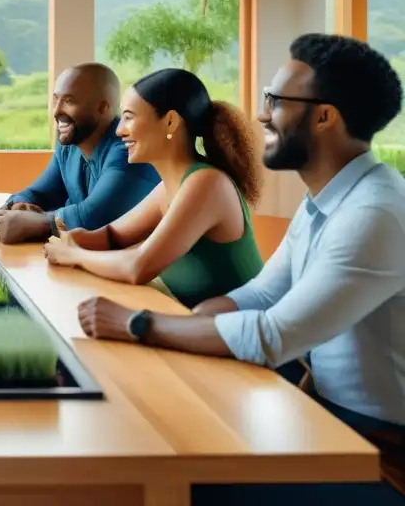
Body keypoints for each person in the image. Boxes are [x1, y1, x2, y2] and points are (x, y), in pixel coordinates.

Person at [76, 35, 405, 504]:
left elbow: (272, 335)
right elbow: (260, 295)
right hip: (326, 421)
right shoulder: (326, 203)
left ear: (325, 116)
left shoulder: (374, 214)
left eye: (276, 100)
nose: (261, 114)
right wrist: (195, 323)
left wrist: (139, 324)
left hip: (379, 453)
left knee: (185, 481)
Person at [42, 68, 264, 308]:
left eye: (129, 117)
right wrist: (74, 239)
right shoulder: (168, 188)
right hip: (206, 330)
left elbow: (138, 266)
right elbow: (112, 237)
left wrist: (74, 255)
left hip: (252, 339)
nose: (119, 130)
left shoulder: (207, 184)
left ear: (170, 122)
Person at [0, 63, 159, 245]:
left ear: (103, 108)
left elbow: (92, 219)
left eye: (69, 101)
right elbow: (39, 194)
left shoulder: (128, 149)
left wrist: (38, 223)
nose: (57, 112)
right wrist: (17, 206)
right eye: (56, 100)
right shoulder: (69, 145)